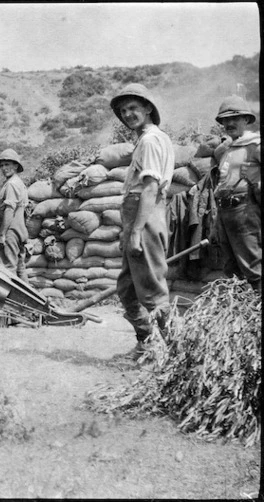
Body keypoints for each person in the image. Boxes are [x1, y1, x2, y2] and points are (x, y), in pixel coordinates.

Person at [109, 83, 174, 360]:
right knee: (126, 287)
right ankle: (146, 343)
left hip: (144, 216)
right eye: (123, 110)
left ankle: (178, 353)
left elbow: (149, 188)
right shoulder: (147, 140)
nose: (128, 114)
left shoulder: (150, 140)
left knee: (151, 292)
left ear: (148, 108)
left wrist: (135, 231)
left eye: (134, 107)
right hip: (137, 216)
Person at [211, 95, 261, 293]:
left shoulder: (255, 145)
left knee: (253, 265)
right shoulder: (226, 149)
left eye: (235, 118)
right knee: (231, 268)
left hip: (245, 212)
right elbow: (222, 182)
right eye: (225, 119)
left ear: (246, 120)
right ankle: (238, 312)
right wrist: (216, 222)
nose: (229, 123)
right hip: (225, 212)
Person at [0, 148, 29, 283]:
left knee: (9, 267)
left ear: (15, 165)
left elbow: (9, 210)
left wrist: (2, 234)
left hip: (12, 231)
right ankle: (30, 299)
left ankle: (11, 301)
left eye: (7, 164)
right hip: (21, 230)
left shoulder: (11, 184)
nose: (4, 168)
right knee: (20, 266)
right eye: (2, 165)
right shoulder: (19, 183)